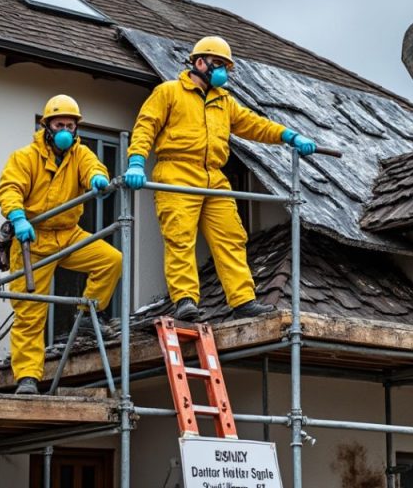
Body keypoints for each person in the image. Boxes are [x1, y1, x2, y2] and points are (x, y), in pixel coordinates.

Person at [124, 36, 317, 322]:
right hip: (176, 171)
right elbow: (146, 126)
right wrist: (136, 161)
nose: (223, 72)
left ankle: (243, 300)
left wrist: (287, 135)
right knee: (180, 237)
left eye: (226, 67)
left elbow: (254, 124)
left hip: (213, 176)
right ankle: (185, 299)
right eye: (218, 65)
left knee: (231, 237)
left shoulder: (223, 102)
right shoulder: (169, 92)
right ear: (199, 62)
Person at [0, 94, 122, 395]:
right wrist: (17, 218)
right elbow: (9, 188)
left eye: (70, 124)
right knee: (30, 310)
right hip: (33, 237)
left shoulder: (80, 154)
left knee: (111, 260)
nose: (66, 129)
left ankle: (84, 318)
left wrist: (97, 179)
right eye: (59, 124)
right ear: (47, 127)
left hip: (68, 233)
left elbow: (95, 168)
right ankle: (27, 377)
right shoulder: (25, 157)